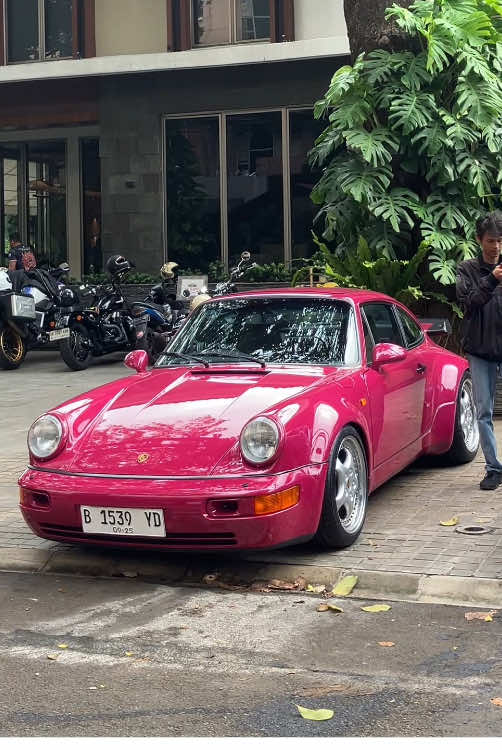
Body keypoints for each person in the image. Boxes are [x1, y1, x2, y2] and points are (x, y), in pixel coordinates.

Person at [456, 210, 502, 490]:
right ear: (479, 240)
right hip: (480, 350)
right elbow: (467, 304)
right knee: (484, 412)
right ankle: (494, 468)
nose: (496, 247)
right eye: (491, 241)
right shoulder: (467, 270)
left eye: (500, 241)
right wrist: (492, 280)